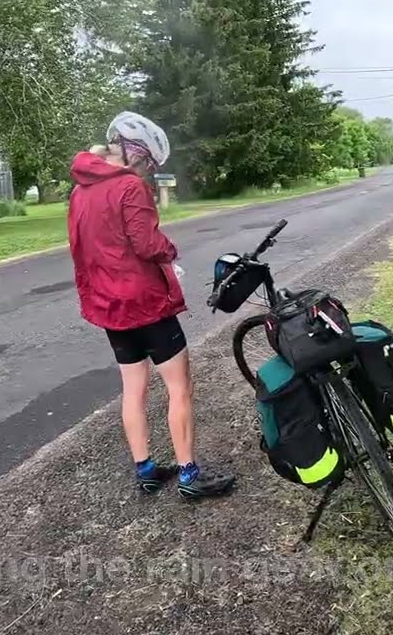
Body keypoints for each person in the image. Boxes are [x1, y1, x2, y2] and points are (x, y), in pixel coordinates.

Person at [68, 111, 234, 500]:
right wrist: (170, 249)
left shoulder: (79, 190)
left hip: (110, 306)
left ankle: (145, 470)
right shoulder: (129, 187)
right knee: (179, 387)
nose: (144, 171)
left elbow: (81, 249)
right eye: (145, 161)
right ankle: (189, 476)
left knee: (133, 388)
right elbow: (146, 244)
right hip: (146, 303)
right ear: (130, 150)